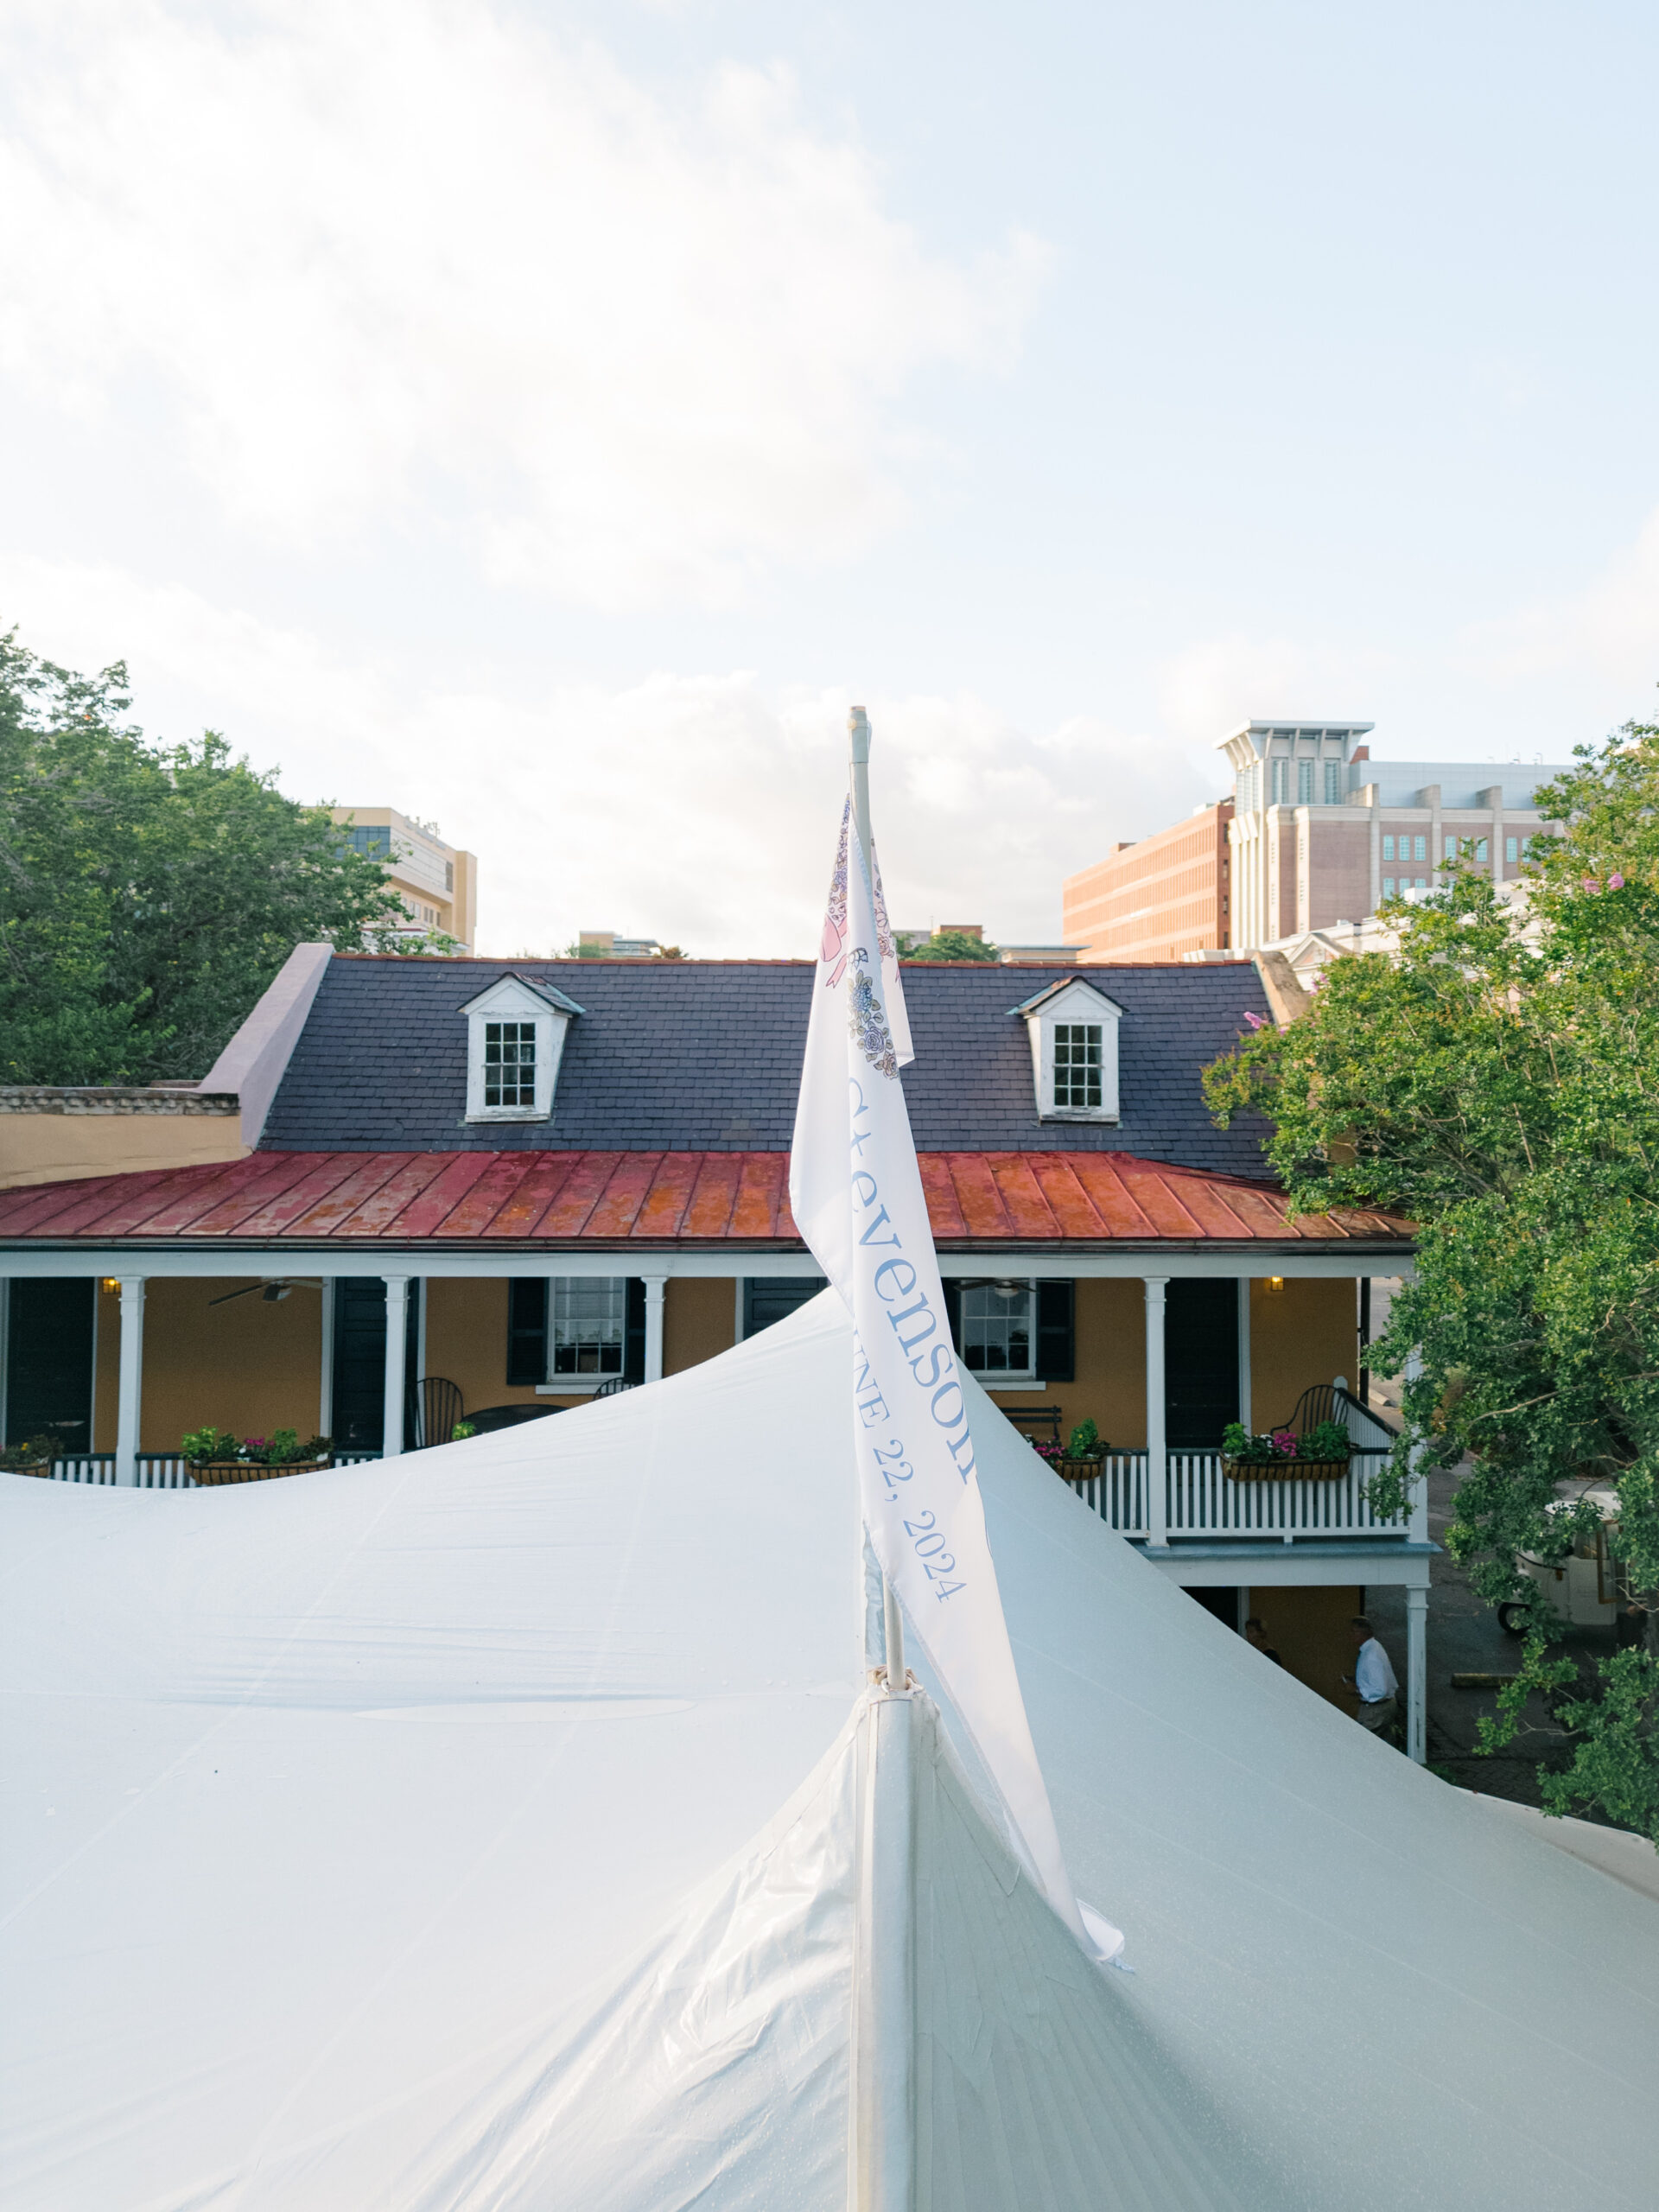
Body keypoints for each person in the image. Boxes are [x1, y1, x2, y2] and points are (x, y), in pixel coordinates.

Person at [1342, 1615, 1399, 1736]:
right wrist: (1358, 1679)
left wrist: (1357, 1690)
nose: (1350, 1634)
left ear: (1363, 1633)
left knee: (1362, 1742)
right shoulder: (1374, 1647)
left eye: (1353, 1631)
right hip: (1385, 1707)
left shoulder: (1371, 1656)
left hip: (1376, 1710)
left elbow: (1380, 1689)